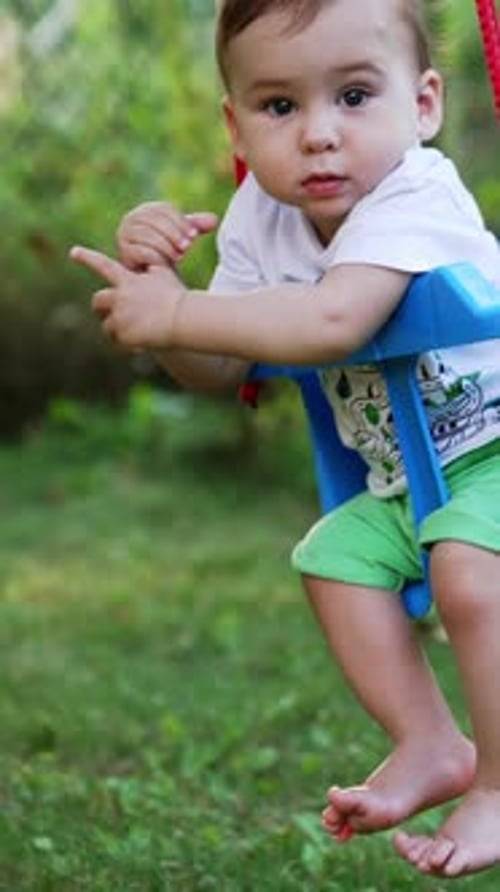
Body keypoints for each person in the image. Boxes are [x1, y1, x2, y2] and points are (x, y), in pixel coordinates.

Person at [70, 0, 500, 878]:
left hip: (493, 451)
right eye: (279, 107)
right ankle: (427, 742)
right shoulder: (259, 220)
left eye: (352, 95)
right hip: (403, 478)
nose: (317, 137)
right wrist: (166, 305)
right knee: (330, 560)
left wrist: (189, 309)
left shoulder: (416, 192)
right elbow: (226, 371)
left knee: (464, 565)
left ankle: (498, 785)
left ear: (422, 105)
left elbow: (336, 320)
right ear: (236, 123)